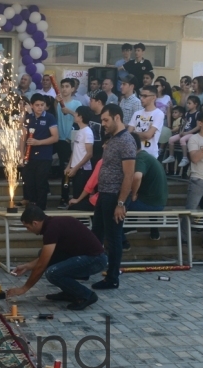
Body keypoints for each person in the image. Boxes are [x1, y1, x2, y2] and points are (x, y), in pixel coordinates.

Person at [6, 206, 107, 310]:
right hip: (85, 256)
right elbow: (47, 257)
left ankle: (86, 295)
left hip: (95, 260)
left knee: (52, 273)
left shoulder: (51, 229)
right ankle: (70, 293)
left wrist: (24, 289)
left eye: (27, 227)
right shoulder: (52, 224)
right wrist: (27, 266)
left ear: (35, 223)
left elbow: (41, 266)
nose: (28, 230)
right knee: (43, 253)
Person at [91, 104, 137, 290]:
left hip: (114, 196)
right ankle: (88, 268)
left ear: (117, 117)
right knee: (96, 234)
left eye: (106, 120)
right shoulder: (113, 139)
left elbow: (129, 175)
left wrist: (121, 203)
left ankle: (112, 277)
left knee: (113, 237)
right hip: (104, 193)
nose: (103, 124)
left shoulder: (126, 141)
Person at [121, 133, 168, 247]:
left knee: (117, 204)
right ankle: (153, 231)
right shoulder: (147, 156)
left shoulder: (140, 158)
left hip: (150, 203)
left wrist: (133, 194)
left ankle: (123, 240)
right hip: (159, 201)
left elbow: (137, 177)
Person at [183, 111, 203, 251]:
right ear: (200, 123)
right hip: (198, 179)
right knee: (190, 210)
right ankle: (184, 240)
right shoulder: (194, 139)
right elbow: (195, 158)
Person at [21, 93, 59, 211]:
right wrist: (21, 154)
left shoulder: (49, 117)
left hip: (44, 156)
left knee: (41, 182)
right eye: (37, 105)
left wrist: (39, 142)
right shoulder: (28, 118)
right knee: (29, 182)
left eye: (42, 105)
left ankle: (41, 208)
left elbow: (55, 137)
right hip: (29, 156)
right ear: (31, 105)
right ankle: (32, 205)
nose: (40, 107)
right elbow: (23, 137)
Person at [54, 79, 82, 208]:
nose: (64, 89)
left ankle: (70, 197)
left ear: (72, 89)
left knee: (71, 169)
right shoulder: (58, 102)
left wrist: (69, 111)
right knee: (63, 168)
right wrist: (56, 102)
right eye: (62, 86)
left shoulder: (77, 103)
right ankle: (62, 197)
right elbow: (54, 113)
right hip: (60, 139)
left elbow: (81, 117)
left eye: (67, 86)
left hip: (72, 140)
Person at [128, 85, 165, 160]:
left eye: (145, 96)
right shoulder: (137, 113)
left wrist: (135, 133)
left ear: (154, 97)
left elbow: (148, 135)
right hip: (134, 154)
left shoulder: (159, 114)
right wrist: (143, 135)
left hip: (150, 156)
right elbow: (128, 135)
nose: (141, 98)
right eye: (141, 96)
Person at [65, 106, 94, 202]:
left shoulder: (88, 132)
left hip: (83, 170)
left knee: (80, 197)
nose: (74, 115)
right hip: (76, 168)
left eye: (76, 114)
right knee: (75, 194)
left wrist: (76, 168)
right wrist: (69, 166)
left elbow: (89, 154)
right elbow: (75, 151)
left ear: (80, 117)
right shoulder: (79, 131)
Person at [164, 96, 200, 168]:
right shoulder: (187, 113)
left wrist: (188, 132)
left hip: (192, 134)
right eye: (187, 103)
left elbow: (198, 127)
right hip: (185, 132)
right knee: (171, 139)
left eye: (189, 103)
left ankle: (185, 157)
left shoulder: (197, 114)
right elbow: (184, 124)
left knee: (182, 139)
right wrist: (182, 131)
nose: (187, 105)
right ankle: (171, 156)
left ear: (195, 104)